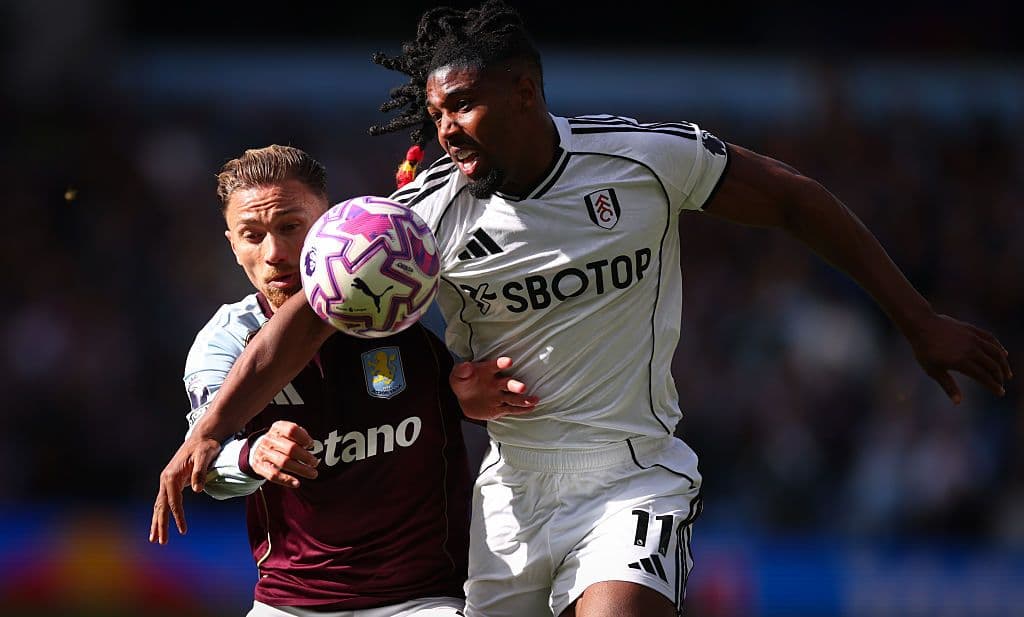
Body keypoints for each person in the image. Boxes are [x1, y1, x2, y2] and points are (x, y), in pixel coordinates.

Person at [152, 3, 1013, 616]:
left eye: (465, 103)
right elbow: (305, 319)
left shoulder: (645, 161)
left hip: (629, 474)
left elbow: (794, 199)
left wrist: (917, 319)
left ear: (526, 89)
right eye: (437, 110)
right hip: (509, 497)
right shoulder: (427, 217)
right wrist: (210, 427)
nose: (446, 127)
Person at [149, 145, 472, 617]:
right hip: (292, 603)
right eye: (252, 235)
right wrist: (252, 454)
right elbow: (206, 461)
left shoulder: (415, 302)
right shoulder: (226, 341)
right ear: (231, 244)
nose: (275, 254)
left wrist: (477, 392)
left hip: (423, 598)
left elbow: (482, 387)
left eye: (289, 227)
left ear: (327, 222)